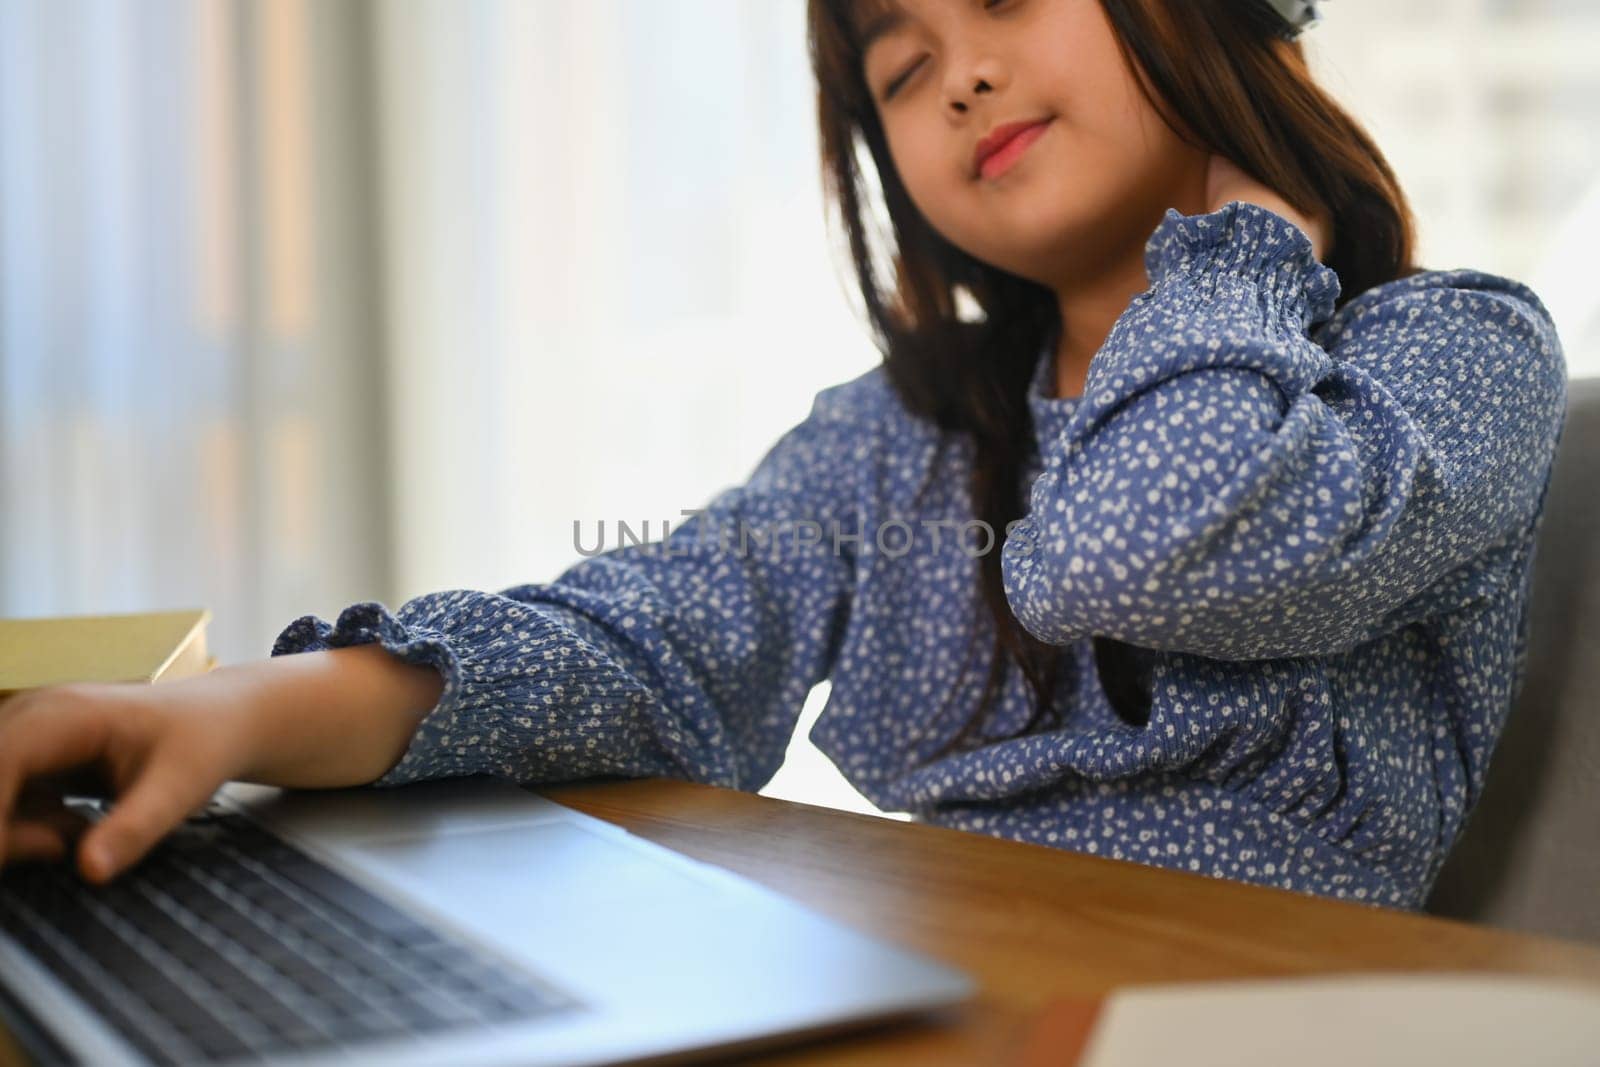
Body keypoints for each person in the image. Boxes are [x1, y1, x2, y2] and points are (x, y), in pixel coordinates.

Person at [0, 0, 1568, 912]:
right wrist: (229, 712)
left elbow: (1133, 551)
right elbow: (651, 640)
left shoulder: (1452, 353)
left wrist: (1234, 254)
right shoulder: (896, 437)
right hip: (968, 985)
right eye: (899, 68)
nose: (956, 73)